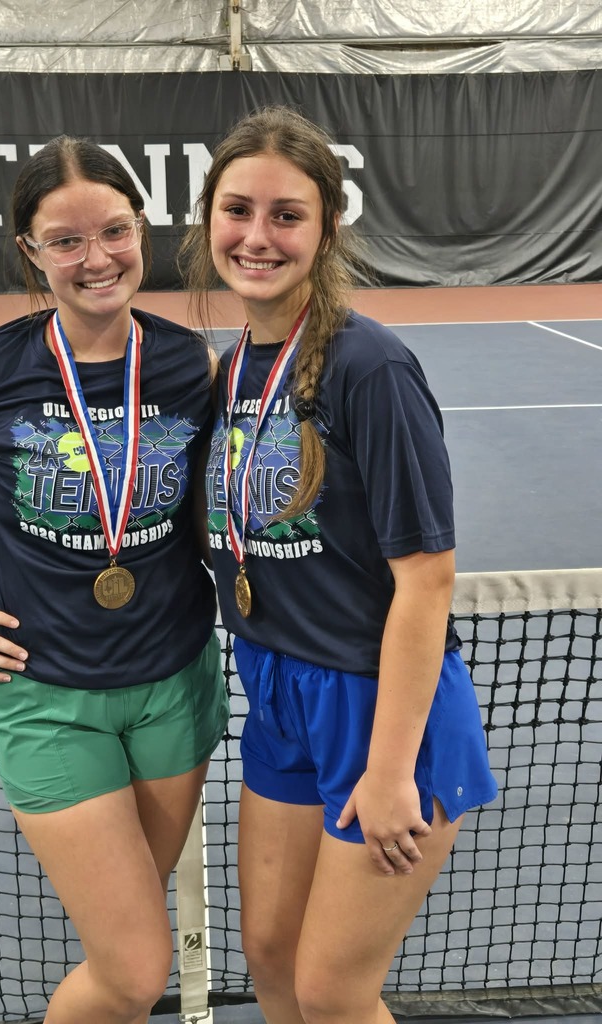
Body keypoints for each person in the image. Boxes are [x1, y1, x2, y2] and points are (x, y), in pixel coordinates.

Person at [0, 135, 229, 1024]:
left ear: (140, 227)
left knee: (127, 942)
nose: (96, 258)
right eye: (65, 241)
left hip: (175, 691)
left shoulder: (191, 364)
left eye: (113, 231)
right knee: (135, 970)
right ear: (30, 251)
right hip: (48, 704)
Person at [180, 106, 498, 1024]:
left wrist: (390, 770)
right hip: (279, 693)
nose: (258, 236)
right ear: (208, 221)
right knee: (272, 960)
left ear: (324, 230)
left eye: (287, 215)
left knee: (332, 991)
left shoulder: (372, 367)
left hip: (379, 704)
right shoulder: (232, 370)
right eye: (238, 210)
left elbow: (427, 579)